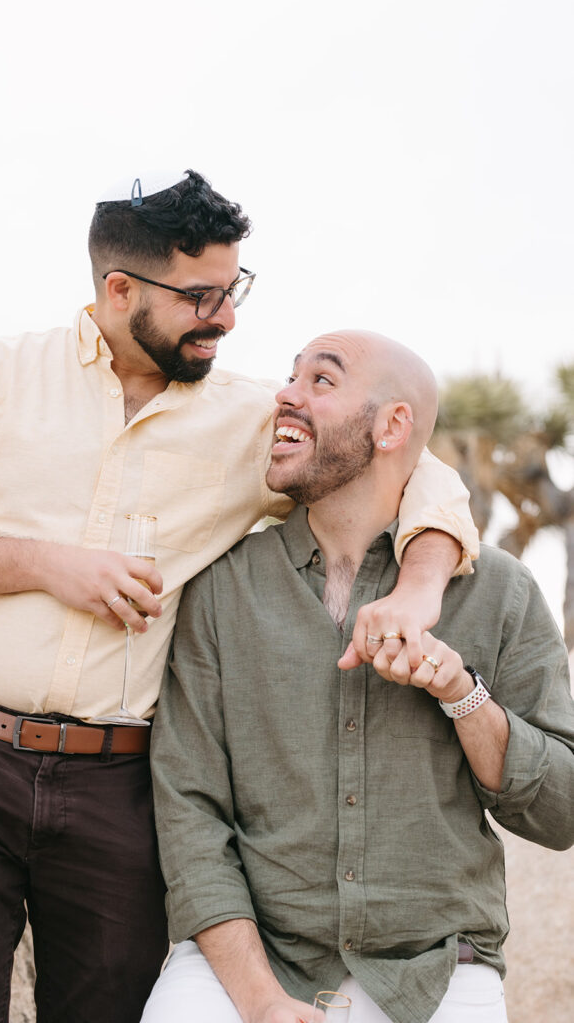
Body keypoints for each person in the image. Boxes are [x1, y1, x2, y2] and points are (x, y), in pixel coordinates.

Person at [0, 173, 477, 1023]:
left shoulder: (250, 420)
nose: (228, 317)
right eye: (201, 296)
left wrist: (421, 586)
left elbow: (416, 474)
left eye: (233, 290)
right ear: (118, 290)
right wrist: (48, 565)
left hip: (121, 784)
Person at [143, 329, 574, 1023]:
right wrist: (259, 1002)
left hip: (437, 970)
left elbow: (561, 813)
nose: (285, 395)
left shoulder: (500, 591)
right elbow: (191, 814)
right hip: (249, 964)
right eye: (290, 377)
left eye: (321, 380)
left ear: (391, 425)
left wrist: (462, 695)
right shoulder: (223, 588)